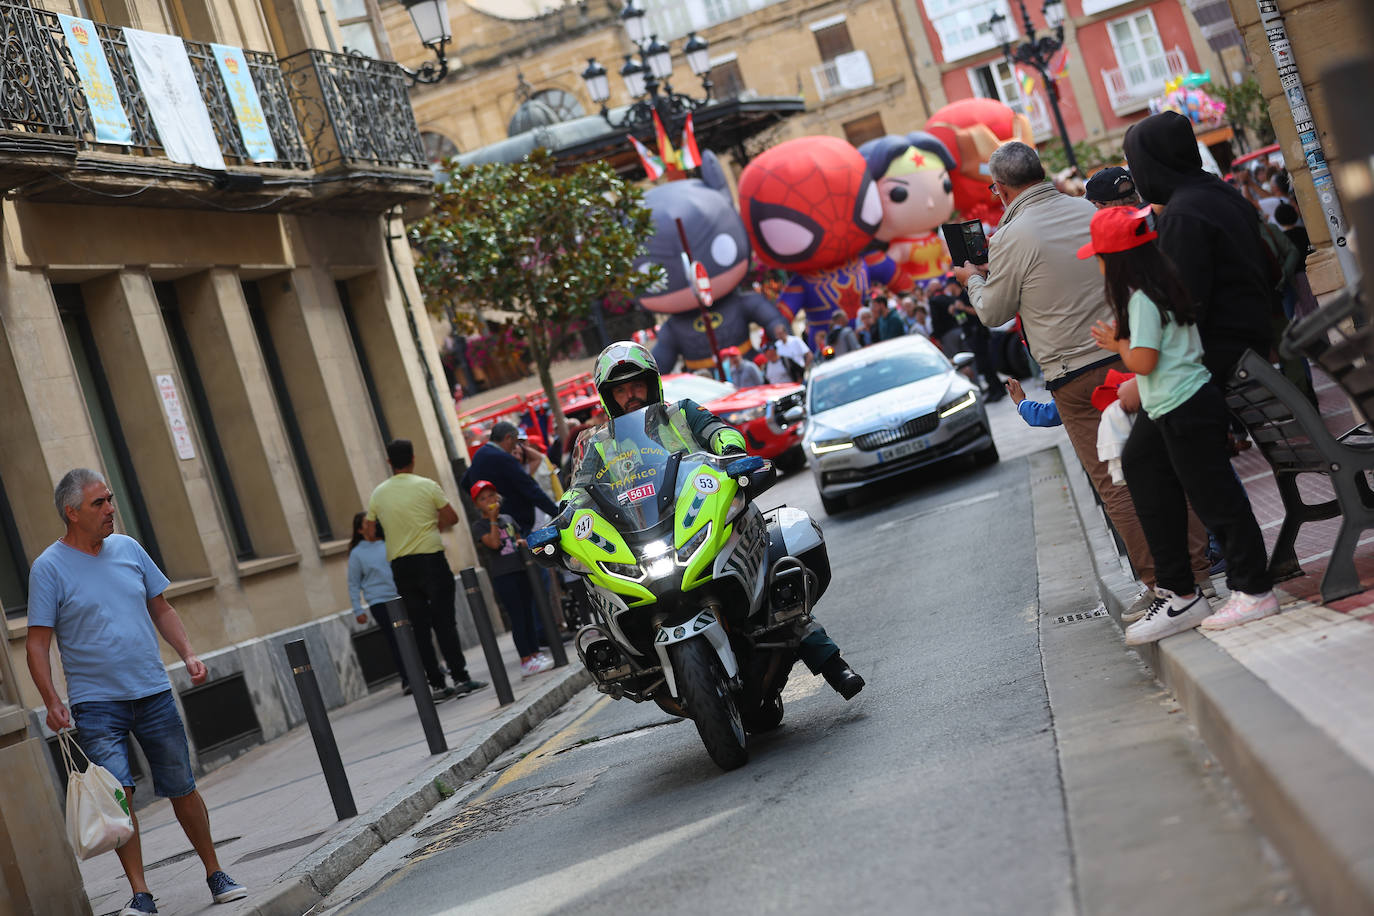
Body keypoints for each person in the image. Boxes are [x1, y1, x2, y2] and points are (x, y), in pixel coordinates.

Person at [954, 141, 1211, 607]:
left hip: (1075, 377)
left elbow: (993, 311)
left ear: (1003, 189)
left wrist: (971, 279)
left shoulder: (1010, 237)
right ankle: (1198, 572)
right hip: (1126, 353)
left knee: (1117, 482)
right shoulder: (1087, 210)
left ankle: (1161, 586)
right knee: (1168, 467)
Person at [565, 341, 865, 700]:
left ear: (652, 382)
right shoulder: (600, 446)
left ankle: (831, 662)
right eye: (620, 389)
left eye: (636, 384)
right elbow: (579, 489)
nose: (630, 395)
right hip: (648, 534)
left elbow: (718, 430)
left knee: (771, 569)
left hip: (705, 515)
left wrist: (732, 451)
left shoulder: (681, 414)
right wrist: (566, 512)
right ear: (608, 397)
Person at [26, 469, 248, 916]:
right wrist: (52, 700)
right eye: (99, 504)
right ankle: (141, 894)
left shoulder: (128, 549)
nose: (111, 509)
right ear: (72, 513)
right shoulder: (48, 568)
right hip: (95, 704)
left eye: (110, 499)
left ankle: (216, 873)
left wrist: (187, 653)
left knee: (182, 786)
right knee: (118, 796)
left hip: (152, 692)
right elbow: (37, 642)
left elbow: (160, 607)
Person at [1084, 205, 1277, 643]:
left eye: (1097, 257)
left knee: (1217, 501)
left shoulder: (1140, 298)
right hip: (1175, 405)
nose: (1095, 265)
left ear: (1115, 261)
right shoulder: (1158, 285)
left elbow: (1145, 361)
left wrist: (1117, 343)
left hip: (1184, 405)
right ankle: (1179, 592)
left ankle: (1254, 589)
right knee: (1143, 466)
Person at [366, 439, 486, 702]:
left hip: (401, 565)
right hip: (431, 559)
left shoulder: (379, 494)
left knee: (418, 626)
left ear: (389, 462)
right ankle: (461, 677)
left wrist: (393, 533)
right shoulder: (427, 486)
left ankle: (437, 684)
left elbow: (369, 531)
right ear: (412, 459)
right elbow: (452, 518)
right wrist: (433, 525)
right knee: (445, 621)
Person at [470, 480, 553, 678]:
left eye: (491, 495)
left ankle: (535, 653)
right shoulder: (480, 526)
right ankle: (525, 659)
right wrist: (492, 519)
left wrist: (522, 542)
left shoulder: (508, 518)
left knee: (528, 613)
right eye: (483, 498)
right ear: (477, 505)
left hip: (521, 570)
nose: (489, 500)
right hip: (504, 576)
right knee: (517, 617)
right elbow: (494, 544)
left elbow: (516, 539)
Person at [462, 422, 561, 535]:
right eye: (515, 441)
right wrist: (556, 513)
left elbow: (465, 483)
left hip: (497, 520)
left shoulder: (480, 454)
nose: (515, 446)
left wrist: (483, 503)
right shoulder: (503, 458)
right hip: (516, 521)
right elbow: (530, 488)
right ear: (508, 438)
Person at [347, 511, 408, 694]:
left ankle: (428, 669)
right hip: (379, 602)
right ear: (360, 530)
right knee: (395, 640)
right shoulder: (357, 554)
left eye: (373, 522)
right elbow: (353, 583)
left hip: (399, 596)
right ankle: (407, 679)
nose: (372, 526)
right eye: (367, 524)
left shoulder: (387, 543)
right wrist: (358, 610)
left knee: (413, 635)